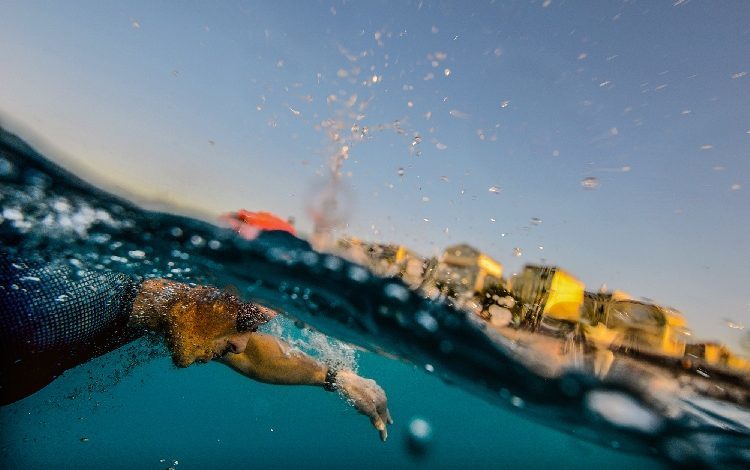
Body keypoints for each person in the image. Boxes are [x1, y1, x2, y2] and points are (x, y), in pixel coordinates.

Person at [0, 250, 393, 441]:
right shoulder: (47, 301)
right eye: (245, 321)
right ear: (204, 282)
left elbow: (255, 352)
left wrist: (335, 377)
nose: (241, 343)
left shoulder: (159, 303)